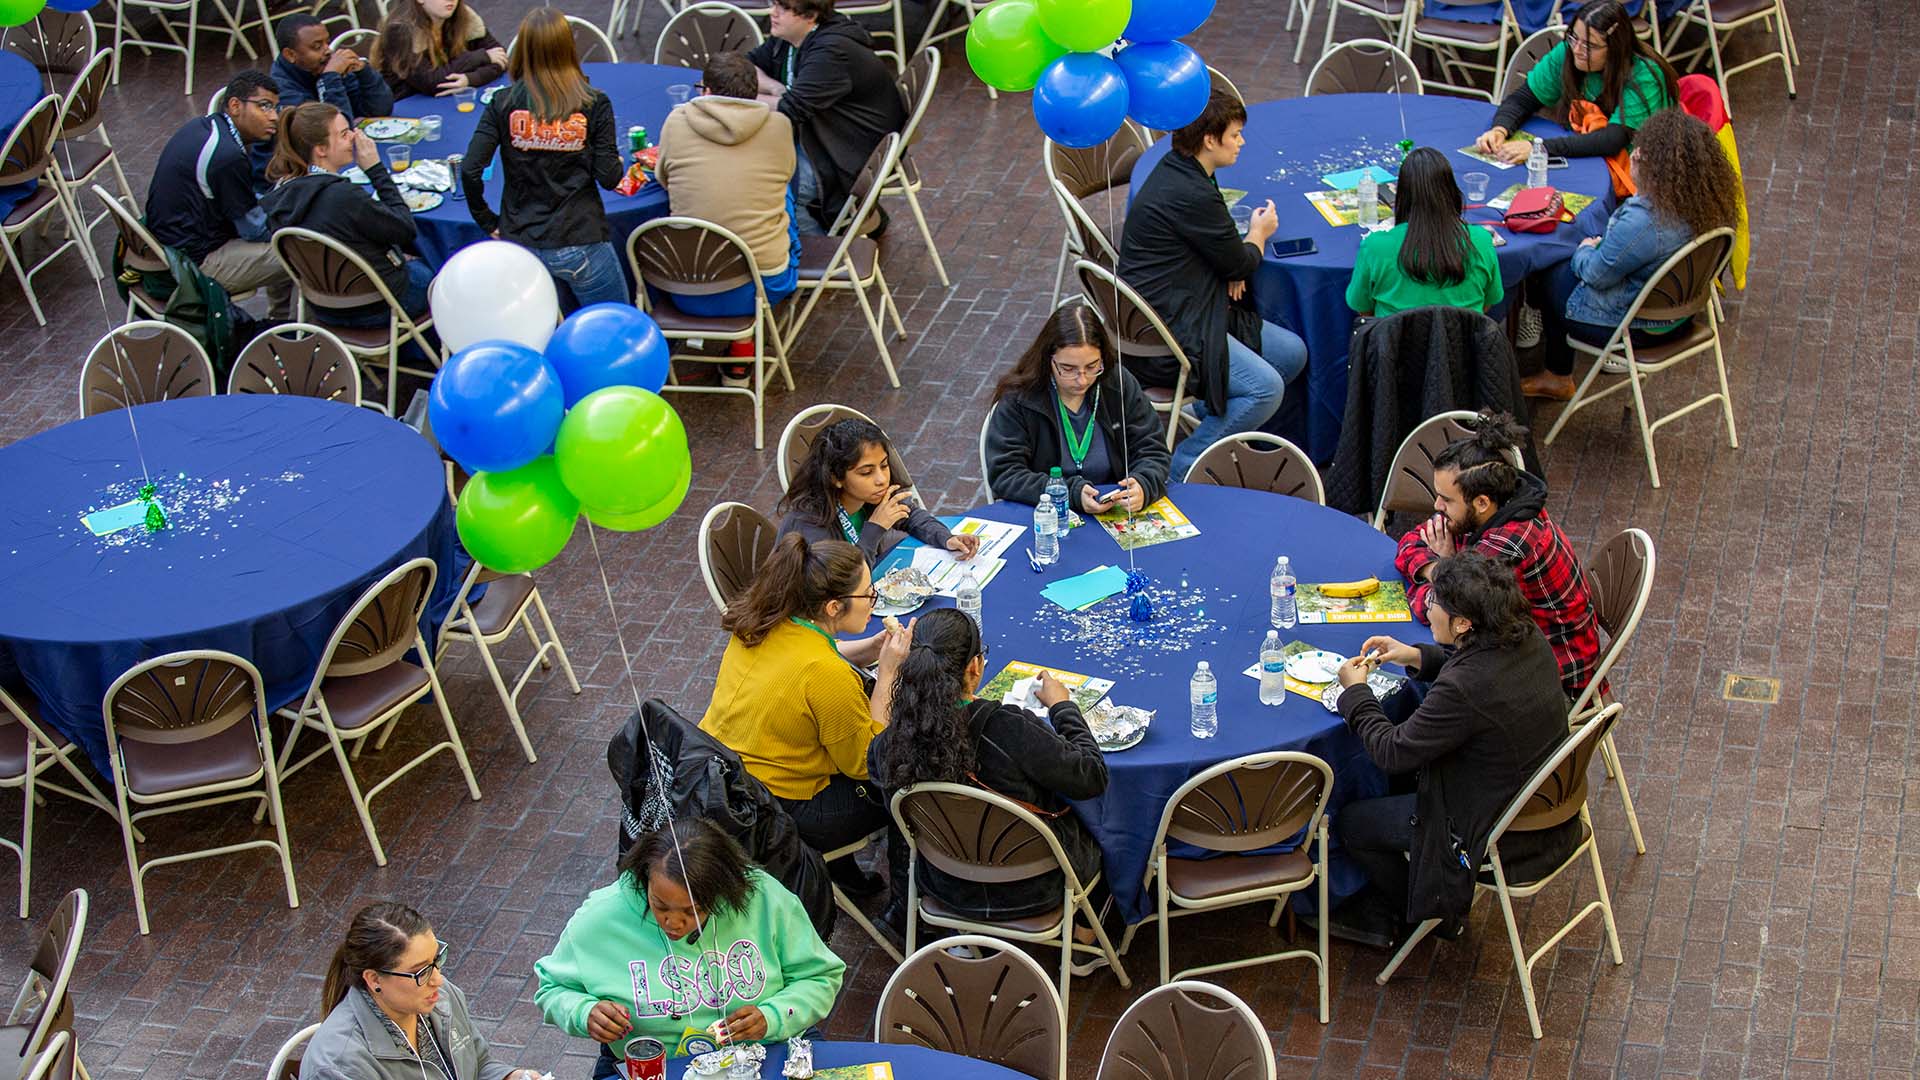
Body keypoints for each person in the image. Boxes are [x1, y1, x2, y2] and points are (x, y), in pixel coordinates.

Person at [1331, 553, 1583, 941]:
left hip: (1495, 829)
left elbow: (1392, 752)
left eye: (1434, 601)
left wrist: (1356, 693)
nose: (1427, 608)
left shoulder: (1465, 688)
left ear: (1463, 622)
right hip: (1541, 805)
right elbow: (1469, 663)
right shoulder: (1525, 635)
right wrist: (1417, 655)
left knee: (1352, 822)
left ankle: (1424, 916)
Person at [535, 818, 846, 1072]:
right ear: (645, 880)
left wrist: (773, 1017)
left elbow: (820, 976)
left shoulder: (764, 898)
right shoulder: (601, 917)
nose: (673, 922)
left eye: (692, 911)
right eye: (660, 905)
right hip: (652, 1066)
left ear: (722, 893)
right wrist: (584, 1012)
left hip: (769, 1051)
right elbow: (552, 989)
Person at [867, 609, 1109, 932]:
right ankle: (1089, 935)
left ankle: (959, 938)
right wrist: (1063, 707)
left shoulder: (894, 741)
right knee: (1106, 831)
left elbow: (882, 780)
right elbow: (1092, 775)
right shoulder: (1007, 728)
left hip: (945, 883)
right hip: (1035, 887)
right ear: (974, 667)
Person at [1118, 87, 1310, 482]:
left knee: (1291, 353)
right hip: (1170, 330)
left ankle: (1210, 413)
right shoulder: (1192, 192)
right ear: (1209, 140)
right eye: (1235, 135)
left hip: (1182, 300)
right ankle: (1181, 467)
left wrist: (1231, 265)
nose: (1241, 143)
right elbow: (1240, 260)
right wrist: (1258, 234)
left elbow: (1226, 257)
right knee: (1265, 389)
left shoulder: (1180, 167)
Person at [697, 535, 907, 893]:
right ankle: (900, 900)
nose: (874, 600)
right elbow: (865, 761)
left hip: (724, 783)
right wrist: (888, 672)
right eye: (868, 594)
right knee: (903, 778)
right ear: (833, 607)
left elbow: (818, 651)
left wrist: (872, 649)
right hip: (778, 811)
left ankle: (844, 874)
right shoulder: (827, 674)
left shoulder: (761, 623)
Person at [1520, 108, 1741, 399]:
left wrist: (1584, 250)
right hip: (1682, 316)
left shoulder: (1644, 218)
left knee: (1552, 267)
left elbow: (1596, 274)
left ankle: (1556, 373)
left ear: (1655, 168)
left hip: (1638, 327)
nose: (1633, 155)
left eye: (1640, 153)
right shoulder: (1705, 204)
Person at [1392, 413, 1602, 701]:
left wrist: (1447, 569)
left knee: (1423, 690)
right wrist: (1440, 569)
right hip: (1513, 649)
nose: (1436, 505)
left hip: (1550, 683)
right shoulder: (1492, 506)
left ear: (1481, 502)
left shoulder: (1507, 545)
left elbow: (1444, 619)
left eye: (1446, 499)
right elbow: (1409, 543)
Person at [460, 7, 627, 309]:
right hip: (579, 242)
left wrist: (486, 220)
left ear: (523, 50)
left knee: (537, 326)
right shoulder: (594, 102)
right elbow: (609, 177)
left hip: (520, 245)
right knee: (613, 324)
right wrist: (616, 161)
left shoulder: (502, 102)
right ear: (569, 49)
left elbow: (471, 168)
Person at [300, 902, 544, 1080]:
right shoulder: (339, 1066)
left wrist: (510, 1076)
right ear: (374, 979)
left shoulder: (440, 998)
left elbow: (478, 1065)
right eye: (420, 972)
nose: (437, 979)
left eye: (436, 960)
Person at [1473, 0, 1678, 195]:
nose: (1577, 50)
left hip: (1639, 174)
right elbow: (1523, 99)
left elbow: (1613, 140)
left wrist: (1539, 149)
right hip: (1590, 153)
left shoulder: (1644, 75)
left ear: (1616, 48)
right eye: (1573, 38)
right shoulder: (1568, 52)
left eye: (1590, 46)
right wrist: (1500, 129)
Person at [654, 51, 799, 317]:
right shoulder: (780, 126)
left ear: (707, 91)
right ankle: (745, 337)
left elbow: (664, 180)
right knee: (783, 193)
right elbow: (787, 174)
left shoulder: (676, 122)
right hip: (763, 285)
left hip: (686, 286)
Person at [984, 300, 1172, 506]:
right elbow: (1005, 474)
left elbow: (1152, 449)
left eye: (1092, 366)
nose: (1082, 380)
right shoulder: (1020, 399)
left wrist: (1144, 483)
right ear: (1048, 359)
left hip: (1114, 506)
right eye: (1068, 368)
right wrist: (1068, 493)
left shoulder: (1118, 383)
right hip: (1048, 512)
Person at [261, 102, 434, 325]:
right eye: (344, 134)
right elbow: (405, 229)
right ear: (321, 149)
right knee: (436, 265)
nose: (353, 137)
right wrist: (375, 170)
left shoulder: (279, 197)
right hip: (380, 307)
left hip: (323, 308)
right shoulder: (342, 197)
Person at [748, 0, 905, 235]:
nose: (773, 13)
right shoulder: (789, 37)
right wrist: (773, 87)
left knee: (774, 188)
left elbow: (790, 108)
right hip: (823, 134)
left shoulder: (831, 52)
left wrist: (734, 96)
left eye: (784, 8)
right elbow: (747, 65)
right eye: (775, 4)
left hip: (848, 154)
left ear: (810, 16)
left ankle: (818, 249)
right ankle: (848, 222)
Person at [144, 70, 292, 318]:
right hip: (191, 266)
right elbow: (254, 230)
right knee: (303, 251)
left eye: (276, 108)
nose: (274, 117)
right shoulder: (227, 157)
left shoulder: (206, 126)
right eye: (264, 106)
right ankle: (291, 326)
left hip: (169, 245)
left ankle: (280, 318)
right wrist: (295, 220)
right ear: (235, 106)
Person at [775, 417, 979, 567]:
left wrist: (946, 538)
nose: (881, 479)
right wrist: (875, 529)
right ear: (835, 477)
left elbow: (912, 515)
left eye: (884, 465)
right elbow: (843, 583)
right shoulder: (809, 523)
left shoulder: (873, 495)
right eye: (866, 472)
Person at [1345, 147, 1505, 319]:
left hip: (1395, 336)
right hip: (1465, 335)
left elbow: (1362, 308)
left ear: (1401, 197)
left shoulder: (1375, 246)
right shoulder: (1481, 240)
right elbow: (1488, 302)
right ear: (1451, 192)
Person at [271, 13, 393, 124]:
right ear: (290, 55)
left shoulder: (328, 66)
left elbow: (380, 111)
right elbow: (334, 130)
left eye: (327, 43)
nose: (328, 50)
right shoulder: (280, 92)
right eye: (317, 46)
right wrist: (329, 79)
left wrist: (364, 72)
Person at [375, 0, 506, 99]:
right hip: (409, 103)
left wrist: (471, 79)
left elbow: (501, 58)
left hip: (450, 99)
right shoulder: (400, 30)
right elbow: (431, 82)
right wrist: (480, 57)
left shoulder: (463, 15)